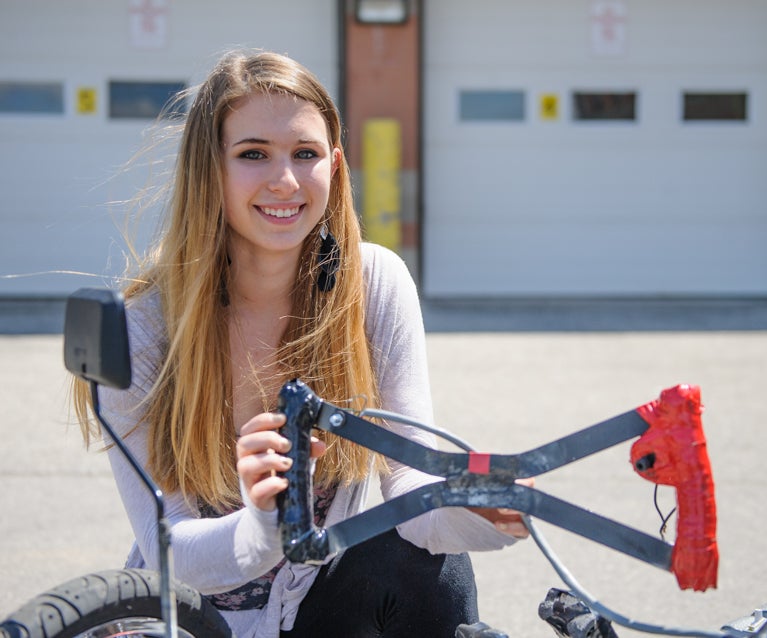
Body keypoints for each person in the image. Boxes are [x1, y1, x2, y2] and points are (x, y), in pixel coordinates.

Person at [72, 49, 529, 638]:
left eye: (305, 154)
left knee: (425, 564)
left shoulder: (374, 284)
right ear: (209, 168)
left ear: (335, 165)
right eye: (253, 154)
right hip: (196, 617)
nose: (284, 181)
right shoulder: (143, 326)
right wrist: (265, 524)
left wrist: (484, 509)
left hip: (323, 601)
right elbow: (173, 551)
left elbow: (411, 490)